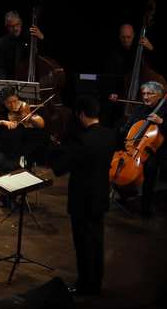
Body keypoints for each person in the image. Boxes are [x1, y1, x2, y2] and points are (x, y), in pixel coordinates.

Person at [49, 96, 117, 295]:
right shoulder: (110, 135)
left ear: (81, 115)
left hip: (82, 199)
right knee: (97, 240)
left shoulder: (82, 140)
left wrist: (55, 147)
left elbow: (59, 168)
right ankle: (96, 282)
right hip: (101, 195)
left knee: (83, 243)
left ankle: (85, 285)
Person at [114, 81, 167, 217]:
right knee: (117, 164)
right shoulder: (140, 109)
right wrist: (117, 133)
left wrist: (162, 122)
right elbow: (128, 126)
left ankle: (146, 207)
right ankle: (125, 193)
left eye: (150, 94)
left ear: (159, 95)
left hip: (158, 150)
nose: (146, 97)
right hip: (136, 148)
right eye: (144, 94)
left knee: (149, 167)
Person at [0, 10, 44, 81]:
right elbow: (1, 67)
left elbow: (47, 51)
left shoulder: (31, 37)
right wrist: (4, 83)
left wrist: (42, 37)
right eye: (11, 26)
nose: (15, 28)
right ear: (6, 26)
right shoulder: (1, 43)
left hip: (32, 79)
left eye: (17, 24)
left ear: (21, 23)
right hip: (11, 81)